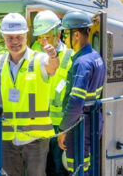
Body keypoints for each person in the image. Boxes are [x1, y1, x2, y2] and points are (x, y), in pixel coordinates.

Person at [0, 12, 60, 176]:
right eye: (10, 37)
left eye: (19, 37)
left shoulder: (39, 59)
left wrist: (53, 56)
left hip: (35, 138)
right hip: (9, 136)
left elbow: (52, 67)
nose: (14, 41)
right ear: (4, 38)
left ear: (26, 36)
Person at [57, 11, 106, 175]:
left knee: (77, 167)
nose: (63, 39)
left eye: (65, 34)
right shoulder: (96, 57)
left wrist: (63, 129)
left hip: (79, 125)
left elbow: (76, 101)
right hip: (93, 120)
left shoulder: (82, 63)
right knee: (88, 167)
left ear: (76, 35)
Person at [31, 10, 74, 176]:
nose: (43, 42)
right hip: (37, 122)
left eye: (47, 37)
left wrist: (66, 128)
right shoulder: (33, 51)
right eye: (39, 37)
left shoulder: (70, 57)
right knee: (40, 166)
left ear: (58, 33)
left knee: (58, 166)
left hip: (58, 124)